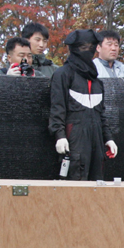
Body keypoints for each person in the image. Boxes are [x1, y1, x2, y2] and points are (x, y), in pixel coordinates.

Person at [49, 29, 118, 180]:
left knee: (97, 181)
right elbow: (57, 107)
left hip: (96, 139)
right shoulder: (63, 74)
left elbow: (101, 114)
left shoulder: (96, 81)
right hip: (74, 137)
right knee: (75, 181)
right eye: (83, 46)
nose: (88, 50)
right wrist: (59, 135)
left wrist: (108, 138)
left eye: (91, 46)